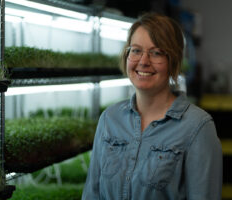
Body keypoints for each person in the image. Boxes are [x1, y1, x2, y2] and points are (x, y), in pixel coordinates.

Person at [82, 13, 222, 200]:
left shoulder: (197, 127)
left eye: (156, 52)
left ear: (172, 61)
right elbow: (92, 194)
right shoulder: (109, 119)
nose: (143, 61)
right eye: (136, 50)